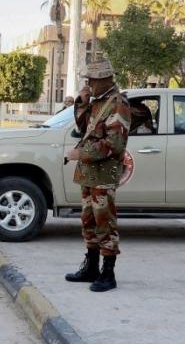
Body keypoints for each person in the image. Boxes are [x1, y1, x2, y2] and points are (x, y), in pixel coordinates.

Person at [64, 60, 131, 292]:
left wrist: (79, 153)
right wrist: (81, 104)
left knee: (105, 222)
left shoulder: (118, 104)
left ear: (104, 80)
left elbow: (114, 144)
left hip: (103, 174)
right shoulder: (98, 102)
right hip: (88, 173)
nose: (88, 85)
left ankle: (108, 274)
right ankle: (91, 267)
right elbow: (84, 128)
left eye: (91, 81)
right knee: (88, 221)